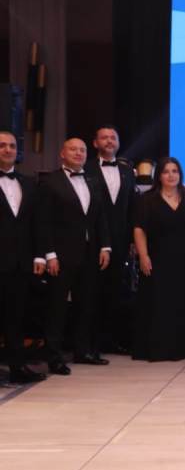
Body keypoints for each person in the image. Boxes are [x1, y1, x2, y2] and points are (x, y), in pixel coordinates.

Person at [35, 138, 112, 370]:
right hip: (61, 255)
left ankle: (83, 351)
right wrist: (49, 254)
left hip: (90, 253)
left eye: (82, 150)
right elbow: (43, 221)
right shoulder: (49, 182)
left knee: (86, 304)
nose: (78, 153)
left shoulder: (93, 180)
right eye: (73, 149)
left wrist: (105, 246)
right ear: (62, 153)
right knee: (57, 307)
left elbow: (100, 217)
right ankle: (54, 357)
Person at [132, 158, 185, 362]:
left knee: (182, 303)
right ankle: (158, 349)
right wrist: (143, 255)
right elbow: (139, 229)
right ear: (158, 176)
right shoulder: (147, 199)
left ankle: (183, 349)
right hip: (157, 259)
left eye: (175, 171)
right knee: (158, 304)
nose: (171, 175)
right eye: (166, 171)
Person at [84, 126, 137, 355]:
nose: (109, 141)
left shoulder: (127, 171)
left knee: (115, 292)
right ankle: (89, 343)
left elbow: (132, 207)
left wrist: (133, 240)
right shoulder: (85, 169)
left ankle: (111, 340)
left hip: (122, 241)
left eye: (113, 137)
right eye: (104, 137)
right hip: (92, 241)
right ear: (95, 143)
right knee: (92, 291)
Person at [0, 131, 48, 382]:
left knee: (16, 317)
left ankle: (17, 368)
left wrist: (40, 256)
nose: (7, 149)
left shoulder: (29, 183)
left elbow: (37, 223)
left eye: (11, 145)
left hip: (20, 261)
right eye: (2, 145)